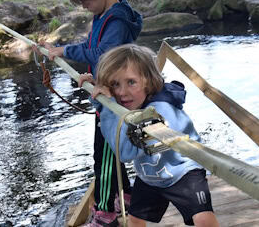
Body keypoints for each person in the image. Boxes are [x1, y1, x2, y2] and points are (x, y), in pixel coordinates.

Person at [40, 0, 143, 226]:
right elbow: (97, 52)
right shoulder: (102, 15)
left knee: (104, 157)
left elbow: (102, 53)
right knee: (110, 155)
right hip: (105, 95)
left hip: (114, 103)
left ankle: (105, 213)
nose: (84, 7)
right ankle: (127, 196)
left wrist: (65, 50)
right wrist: (92, 74)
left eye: (85, 0)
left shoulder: (117, 20)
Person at [77, 44, 220, 227]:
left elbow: (125, 152)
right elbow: (112, 114)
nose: (121, 92)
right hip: (150, 175)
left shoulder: (159, 115)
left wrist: (107, 106)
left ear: (147, 80)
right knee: (135, 219)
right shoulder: (134, 102)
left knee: (202, 218)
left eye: (131, 82)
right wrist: (97, 94)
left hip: (182, 171)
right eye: (114, 84)